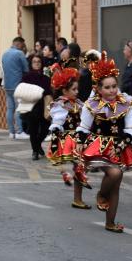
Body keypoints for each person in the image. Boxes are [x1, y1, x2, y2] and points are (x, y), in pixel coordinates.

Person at [76, 51, 132, 233]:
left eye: (114, 86)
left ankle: (110, 222)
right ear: (98, 88)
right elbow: (84, 126)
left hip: (119, 145)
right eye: (107, 87)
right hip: (98, 145)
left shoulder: (125, 102)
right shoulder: (92, 104)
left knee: (116, 184)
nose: (112, 90)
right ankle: (101, 194)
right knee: (115, 174)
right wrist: (80, 141)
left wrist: (125, 140)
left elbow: (130, 127)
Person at [47, 62, 91, 209]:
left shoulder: (77, 103)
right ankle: (65, 174)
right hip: (67, 139)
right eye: (74, 89)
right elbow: (57, 122)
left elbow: (87, 115)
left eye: (77, 89)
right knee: (71, 164)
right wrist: (54, 135)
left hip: (78, 138)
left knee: (80, 167)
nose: (77, 92)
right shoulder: (61, 105)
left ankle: (77, 199)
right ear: (64, 91)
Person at [20, 54, 52, 160]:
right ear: (31, 64)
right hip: (32, 107)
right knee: (33, 130)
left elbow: (49, 92)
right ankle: (35, 151)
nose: (37, 63)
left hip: (43, 107)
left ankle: (37, 146)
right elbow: (22, 90)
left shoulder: (46, 78)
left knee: (45, 129)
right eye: (34, 61)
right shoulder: (26, 77)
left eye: (39, 61)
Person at [1, 37, 29, 139]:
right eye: (22, 45)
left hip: (7, 85)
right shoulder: (19, 53)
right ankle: (19, 131)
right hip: (17, 85)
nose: (23, 47)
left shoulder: (4, 54)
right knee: (18, 109)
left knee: (10, 109)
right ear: (19, 44)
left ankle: (11, 132)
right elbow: (26, 69)